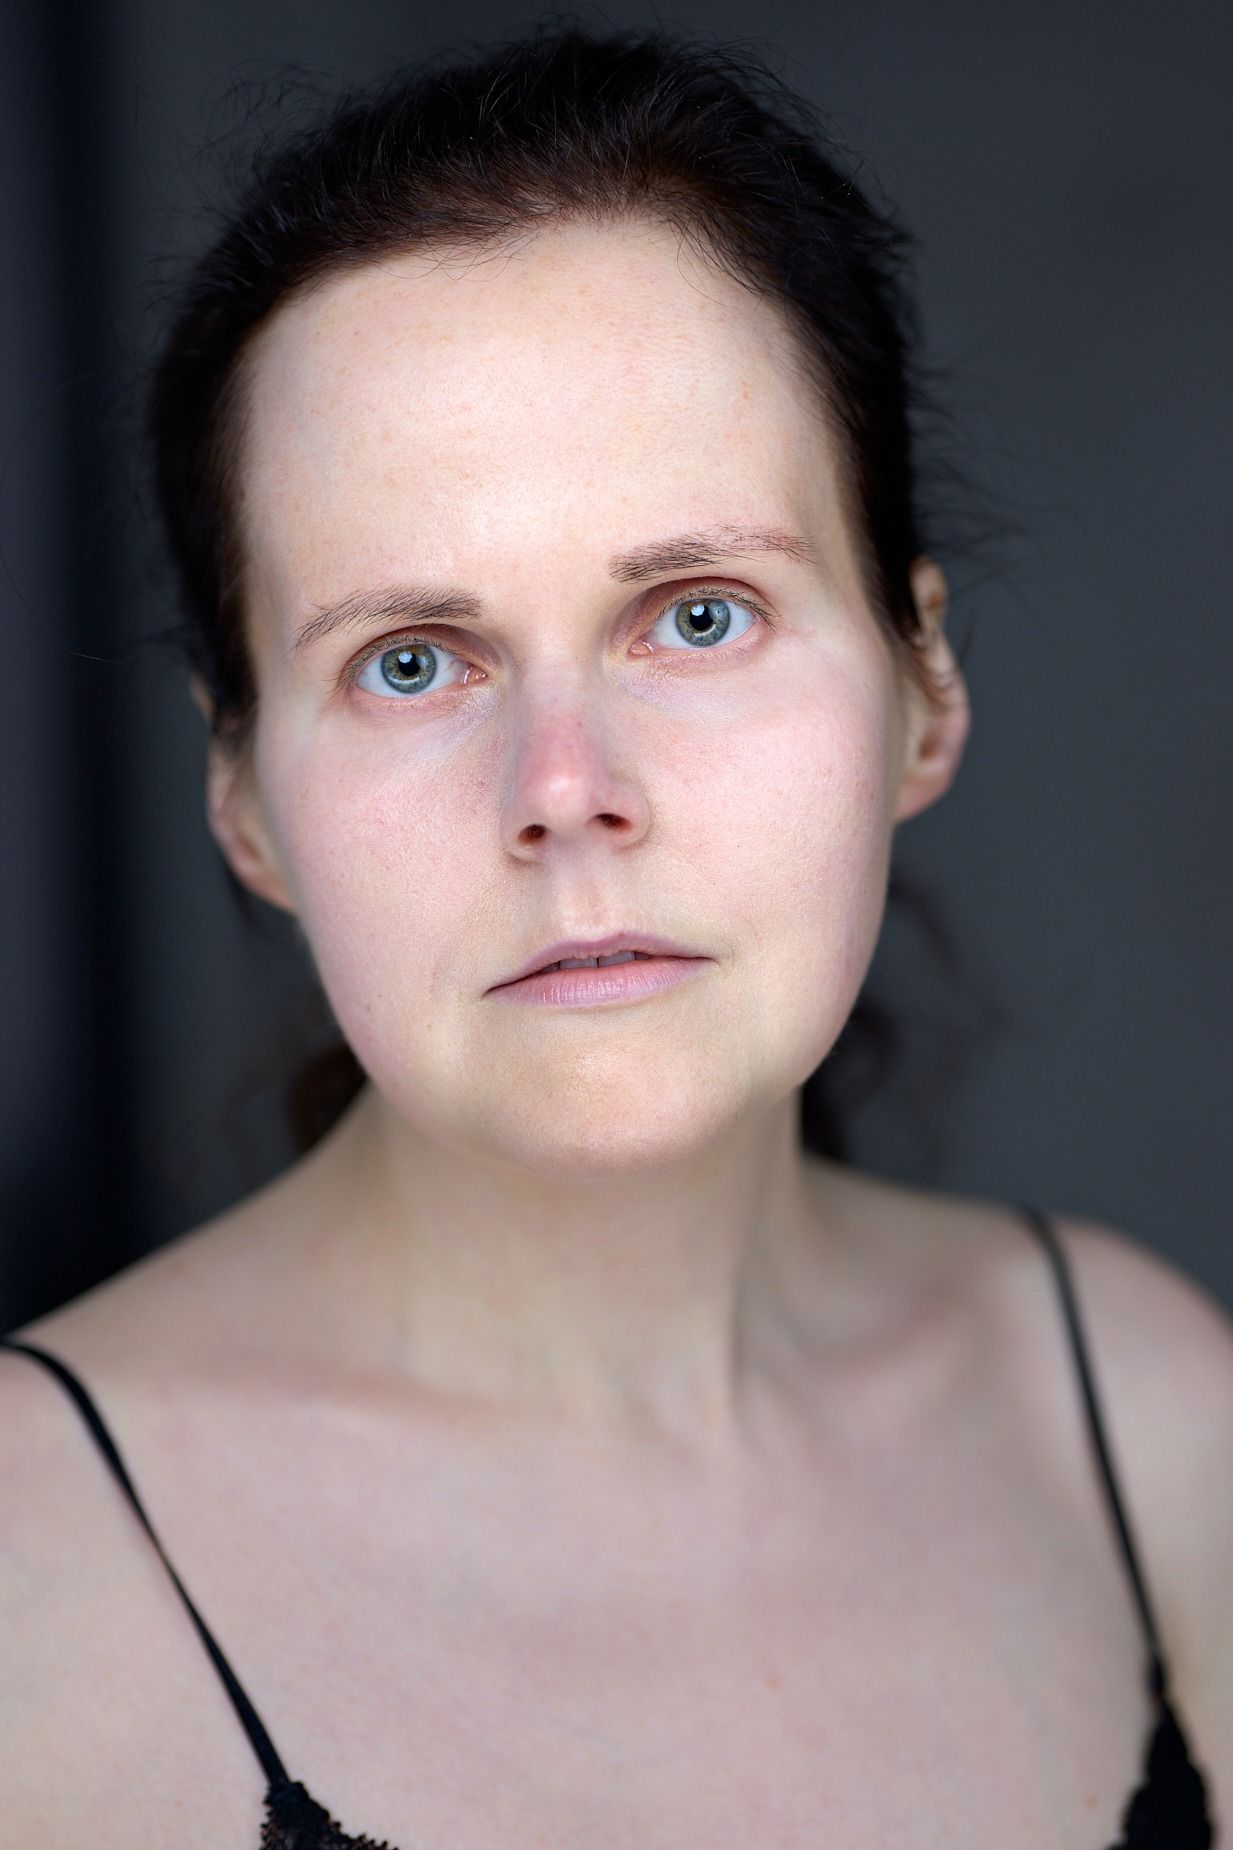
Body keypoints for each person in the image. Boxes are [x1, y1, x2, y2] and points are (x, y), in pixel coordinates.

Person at [1, 21, 1228, 1848]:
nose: (565, 787)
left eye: (698, 614)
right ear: (244, 794)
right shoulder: (35, 1580)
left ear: (919, 686)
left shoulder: (1140, 1423)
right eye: (410, 661)